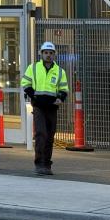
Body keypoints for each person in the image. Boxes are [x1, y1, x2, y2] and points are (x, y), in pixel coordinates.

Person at [21, 41, 69, 176]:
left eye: (51, 53)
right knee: (41, 134)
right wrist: (33, 96)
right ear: (41, 54)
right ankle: (40, 163)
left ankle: (47, 163)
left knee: (50, 136)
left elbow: (64, 88)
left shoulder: (60, 71)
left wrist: (61, 98)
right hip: (39, 107)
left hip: (52, 107)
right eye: (46, 53)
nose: (48, 55)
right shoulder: (33, 68)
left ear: (55, 55)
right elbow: (25, 83)